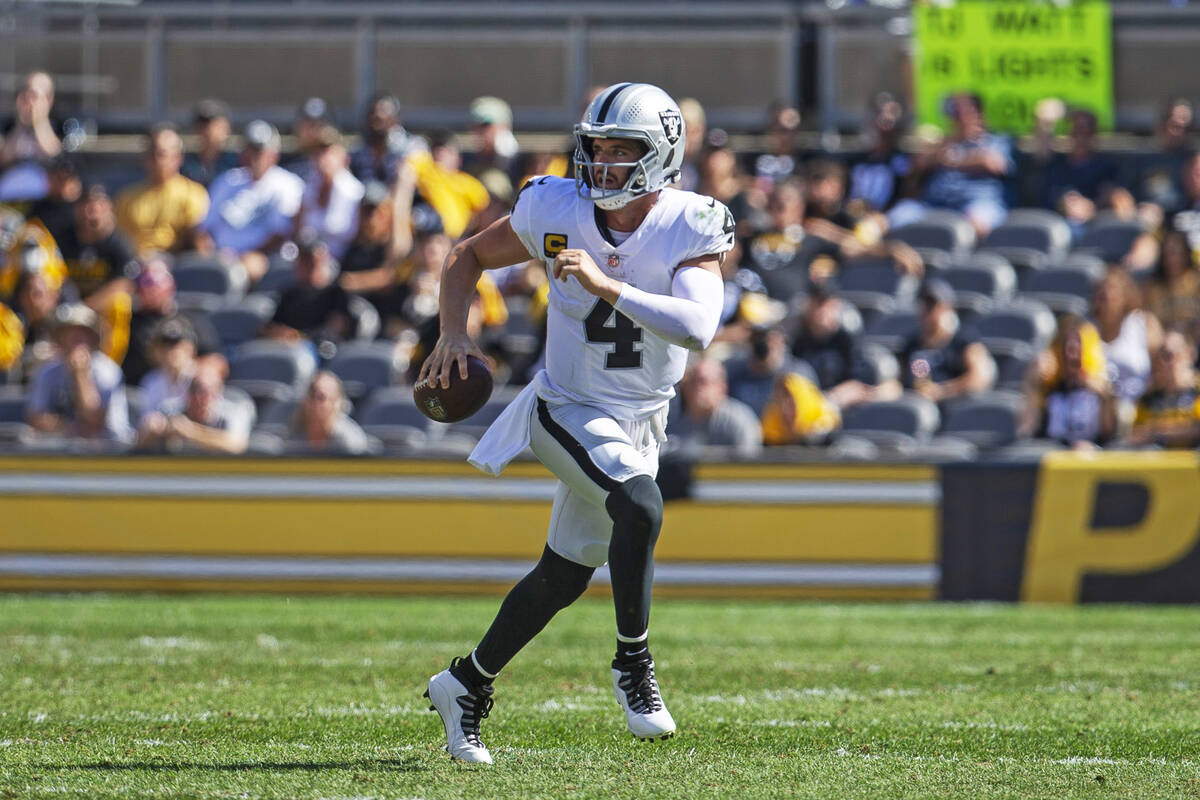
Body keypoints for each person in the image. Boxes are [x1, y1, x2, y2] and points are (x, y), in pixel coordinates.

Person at [417, 82, 734, 763]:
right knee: (641, 507)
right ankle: (633, 665)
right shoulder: (554, 206)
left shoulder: (691, 221)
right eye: (597, 148)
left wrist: (606, 284)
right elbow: (465, 255)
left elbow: (700, 328)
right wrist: (452, 334)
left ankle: (463, 682)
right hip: (565, 408)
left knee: (564, 575)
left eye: (624, 151)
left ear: (662, 156)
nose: (605, 164)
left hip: (641, 419)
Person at [196, 120, 304, 282]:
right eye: (251, 150)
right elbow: (204, 228)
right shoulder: (227, 181)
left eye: (260, 151)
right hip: (220, 257)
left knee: (248, 268)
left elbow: (280, 235)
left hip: (264, 258)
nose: (255, 157)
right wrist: (209, 254)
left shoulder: (288, 184)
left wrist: (240, 257)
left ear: (274, 154)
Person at [26, 303, 131, 443]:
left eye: (80, 334)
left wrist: (80, 374)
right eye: (67, 334)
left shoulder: (108, 371)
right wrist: (69, 428)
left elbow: (94, 422)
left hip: (108, 451)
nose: (73, 340)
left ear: (93, 338)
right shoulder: (47, 372)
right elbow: (37, 418)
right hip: (60, 449)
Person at [116, 123, 210, 255]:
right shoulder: (127, 197)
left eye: (161, 154)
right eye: (151, 153)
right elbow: (119, 240)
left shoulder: (193, 194)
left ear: (178, 157)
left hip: (176, 264)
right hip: (135, 265)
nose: (155, 160)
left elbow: (197, 240)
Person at [1024, 316, 1116, 450]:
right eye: (1066, 345)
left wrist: (1104, 396)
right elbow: (1028, 429)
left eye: (1078, 345)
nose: (1071, 354)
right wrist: (1032, 382)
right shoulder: (1049, 390)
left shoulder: (1102, 393)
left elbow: (1108, 435)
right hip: (1054, 459)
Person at [899, 278, 994, 403]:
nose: (926, 311)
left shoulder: (963, 339)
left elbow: (980, 377)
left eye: (932, 305)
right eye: (923, 304)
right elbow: (898, 379)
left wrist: (942, 391)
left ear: (948, 308)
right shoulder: (911, 343)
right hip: (914, 405)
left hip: (950, 409)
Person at [136, 357, 249, 454]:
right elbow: (138, 445)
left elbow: (237, 445)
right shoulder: (170, 410)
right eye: (195, 388)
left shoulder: (233, 411)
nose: (200, 397)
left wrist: (191, 432)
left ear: (218, 393)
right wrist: (151, 432)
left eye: (207, 391)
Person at [55, 183, 138, 309]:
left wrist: (86, 308)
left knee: (120, 303)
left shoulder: (119, 243)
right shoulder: (63, 239)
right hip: (66, 307)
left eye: (97, 205)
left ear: (109, 207)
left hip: (102, 309)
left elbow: (124, 283)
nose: (91, 210)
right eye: (85, 204)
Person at [666, 357, 762, 457]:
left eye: (703, 382)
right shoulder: (671, 417)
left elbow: (750, 460)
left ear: (722, 388)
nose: (697, 387)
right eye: (692, 381)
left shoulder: (739, 419)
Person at [295, 126, 364, 260]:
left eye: (328, 151)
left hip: (344, 261)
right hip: (307, 260)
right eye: (318, 152)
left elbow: (357, 238)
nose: (323, 158)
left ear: (343, 156)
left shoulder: (355, 192)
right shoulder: (309, 187)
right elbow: (298, 229)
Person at [1129, 330, 1200, 449]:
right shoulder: (1149, 399)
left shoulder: (1197, 392)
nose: (1162, 362)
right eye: (1158, 356)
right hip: (1158, 464)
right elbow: (1137, 435)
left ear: (1188, 354)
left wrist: (1158, 432)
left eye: (1168, 355)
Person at [286, 370, 372, 454]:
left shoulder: (349, 443)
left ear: (335, 402)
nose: (315, 403)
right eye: (311, 394)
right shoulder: (294, 437)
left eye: (321, 397)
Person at [181, 98, 238, 188]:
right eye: (201, 124)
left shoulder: (236, 163)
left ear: (226, 127)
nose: (207, 129)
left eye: (212, 123)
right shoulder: (185, 164)